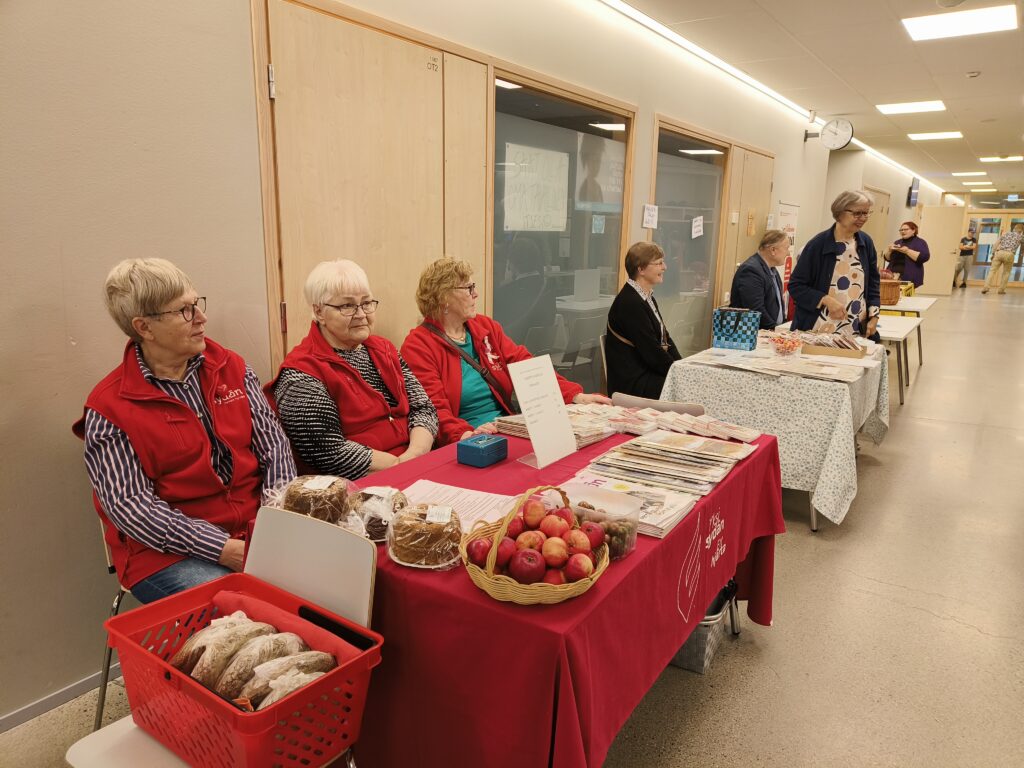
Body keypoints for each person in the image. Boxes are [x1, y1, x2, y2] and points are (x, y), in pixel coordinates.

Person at [72, 259, 296, 603]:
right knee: (247, 611)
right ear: (145, 327)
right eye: (184, 311)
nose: (201, 318)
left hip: (256, 527)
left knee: (336, 579)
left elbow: (274, 448)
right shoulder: (109, 408)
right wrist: (223, 549)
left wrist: (274, 519)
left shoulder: (231, 367)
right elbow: (133, 509)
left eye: (197, 303)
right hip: (168, 554)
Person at [401, 256, 611, 446]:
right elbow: (432, 409)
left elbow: (526, 365)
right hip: (468, 440)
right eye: (468, 288)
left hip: (506, 428)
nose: (476, 294)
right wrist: (465, 435)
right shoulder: (418, 346)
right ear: (444, 297)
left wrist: (574, 395)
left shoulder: (484, 327)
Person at [268, 259, 438, 478]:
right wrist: (401, 467)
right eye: (347, 306)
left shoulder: (385, 350)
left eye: (366, 303)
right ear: (319, 312)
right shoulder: (300, 373)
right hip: (360, 483)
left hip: (416, 461)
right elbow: (329, 452)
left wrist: (415, 455)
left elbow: (423, 407)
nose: (361, 314)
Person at [789, 190, 881, 341]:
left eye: (866, 213)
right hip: (819, 329)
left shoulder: (866, 243)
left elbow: (873, 284)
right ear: (840, 212)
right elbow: (796, 286)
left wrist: (874, 316)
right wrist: (826, 300)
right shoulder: (817, 245)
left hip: (855, 329)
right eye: (857, 213)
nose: (863, 218)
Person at [604, 242, 682, 398]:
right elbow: (652, 351)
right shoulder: (630, 303)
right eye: (659, 263)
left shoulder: (645, 297)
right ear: (641, 269)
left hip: (647, 373)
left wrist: (680, 366)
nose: (665, 267)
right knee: (688, 390)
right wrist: (678, 374)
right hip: (633, 382)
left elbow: (665, 338)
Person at [493, 237, 555, 342]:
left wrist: (504, 284)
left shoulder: (505, 293)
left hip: (513, 347)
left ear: (511, 264)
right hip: (540, 348)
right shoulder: (548, 288)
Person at [729, 229, 791, 330]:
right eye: (786, 248)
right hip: (751, 334)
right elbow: (756, 310)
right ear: (773, 250)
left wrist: (783, 327)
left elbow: (777, 306)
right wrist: (775, 330)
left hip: (770, 332)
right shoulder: (751, 270)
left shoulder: (772, 269)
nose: (788, 253)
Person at [883, 221, 930, 288]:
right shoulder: (897, 242)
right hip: (892, 277)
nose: (903, 231)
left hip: (909, 278)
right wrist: (889, 250)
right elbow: (887, 258)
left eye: (905, 229)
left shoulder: (920, 242)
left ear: (913, 230)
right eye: (901, 230)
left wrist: (907, 251)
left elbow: (924, 257)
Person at [982, 223, 1024, 295]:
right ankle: (1001, 290)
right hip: (1010, 254)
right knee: (1006, 273)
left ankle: (986, 287)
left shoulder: (1005, 234)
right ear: (1022, 230)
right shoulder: (1021, 237)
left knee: (992, 271)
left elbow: (996, 243)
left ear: (1014, 228)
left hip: (1000, 252)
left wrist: (993, 253)